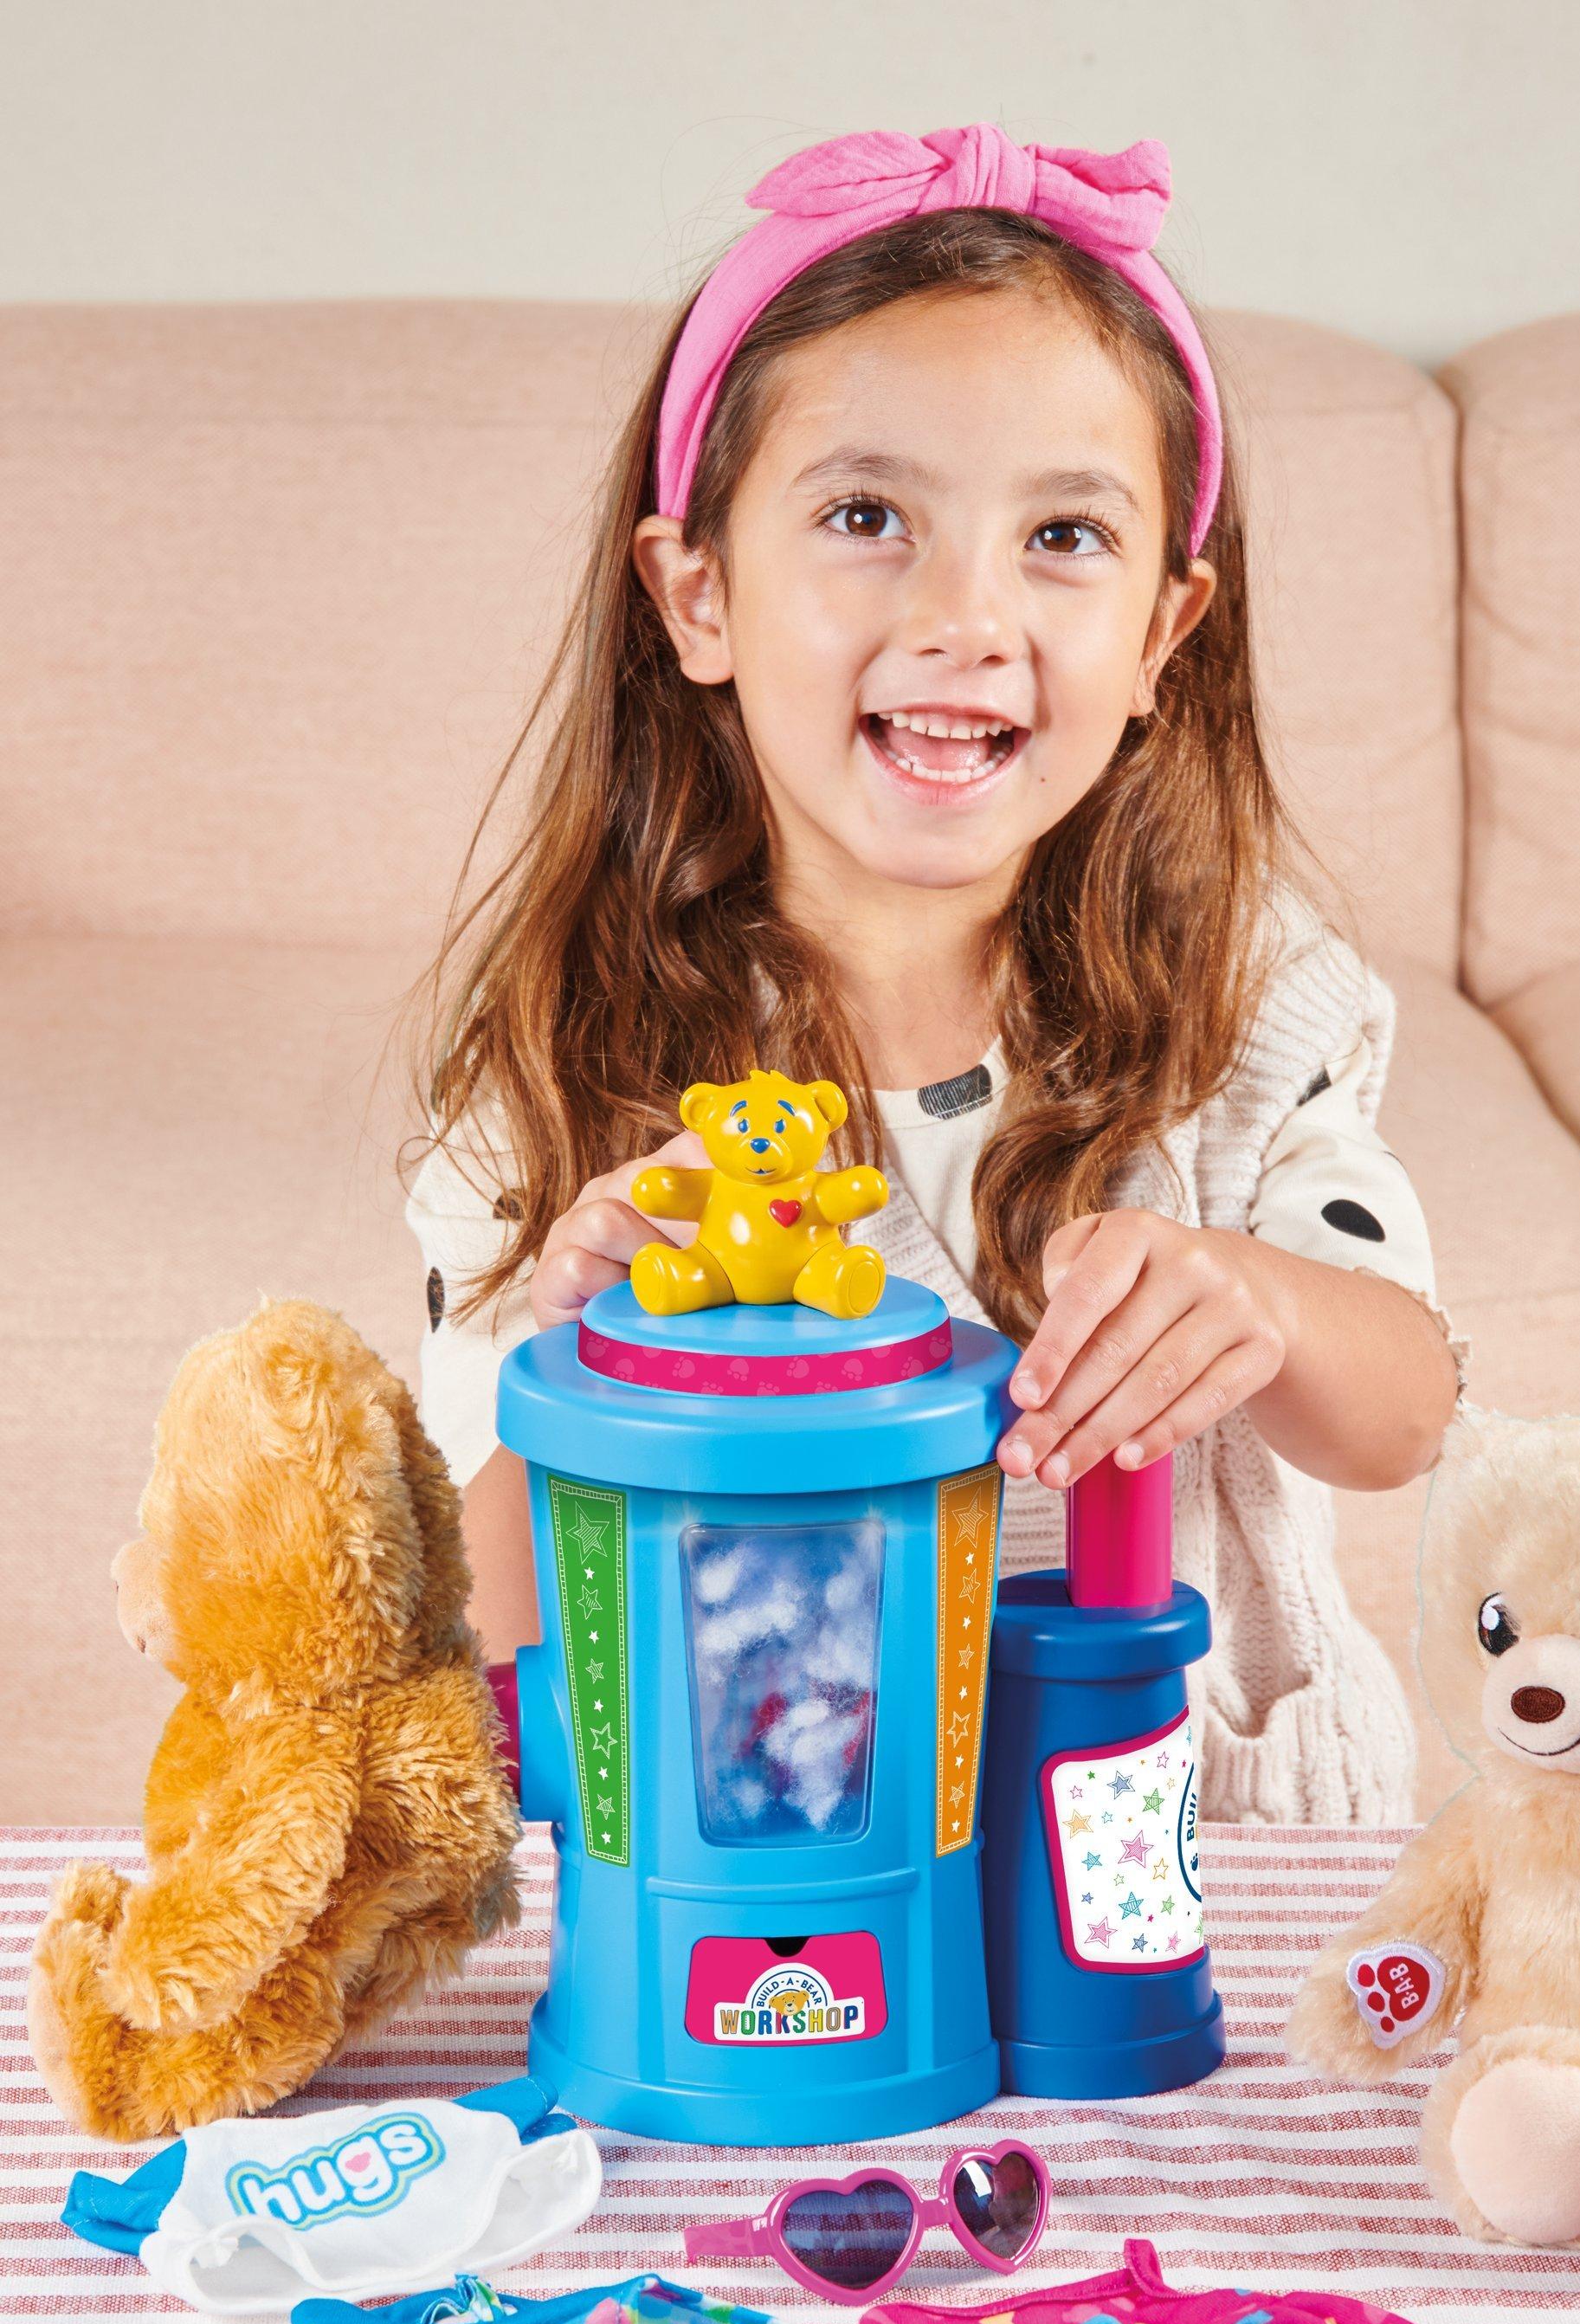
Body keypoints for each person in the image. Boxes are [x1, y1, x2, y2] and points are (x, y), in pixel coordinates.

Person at [403, 126, 1467, 1824]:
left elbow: (1403, 1416)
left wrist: (1256, 1304)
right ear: (698, 597)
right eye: (866, 516)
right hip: (795, 1880)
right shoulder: (558, 1062)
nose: (968, 616)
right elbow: (492, 1647)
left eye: (1064, 535)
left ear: (1161, 635)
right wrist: (593, 1379)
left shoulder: (1250, 998)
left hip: (1210, 1850)